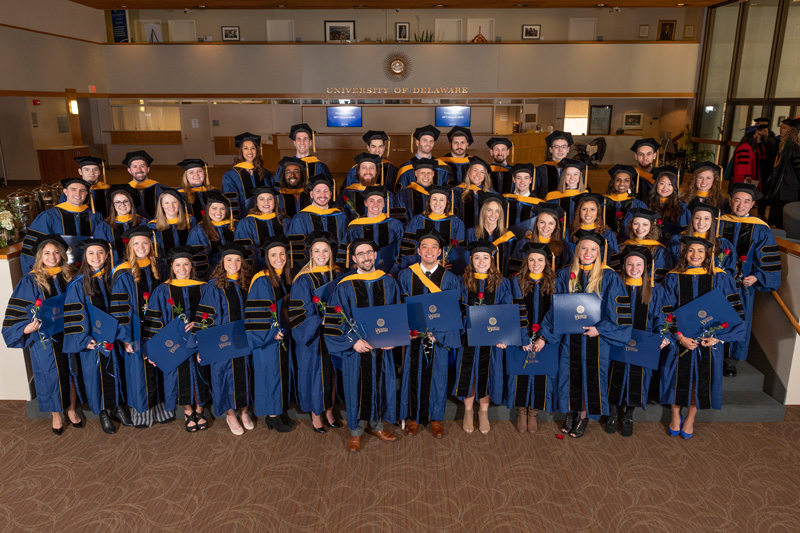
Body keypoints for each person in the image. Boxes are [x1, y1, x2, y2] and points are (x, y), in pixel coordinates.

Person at [546, 231, 631, 438]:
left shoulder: (609, 276)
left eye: (593, 249)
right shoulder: (566, 274)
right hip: (570, 337)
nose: (588, 252)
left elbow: (618, 312)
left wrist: (599, 329)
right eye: (584, 248)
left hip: (596, 339)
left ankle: (583, 415)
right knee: (569, 374)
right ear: (577, 250)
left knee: (591, 377)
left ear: (599, 252)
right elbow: (556, 307)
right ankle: (570, 413)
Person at [661, 236, 745, 439]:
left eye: (700, 251)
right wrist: (679, 337)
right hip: (680, 340)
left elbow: (732, 312)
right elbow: (665, 311)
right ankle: (674, 414)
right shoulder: (673, 277)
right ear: (684, 253)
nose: (695, 255)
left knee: (699, 381)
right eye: (691, 251)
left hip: (708, 342)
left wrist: (716, 338)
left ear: (708, 254)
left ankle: (690, 418)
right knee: (674, 379)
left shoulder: (720, 278)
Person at [323, 239, 401, 452]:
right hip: (357, 350)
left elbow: (396, 312)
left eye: (369, 252)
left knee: (380, 384)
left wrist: (392, 339)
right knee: (355, 386)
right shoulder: (344, 286)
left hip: (381, 350)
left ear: (375, 255)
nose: (366, 257)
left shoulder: (389, 282)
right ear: (354, 259)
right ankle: (356, 431)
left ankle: (376, 425)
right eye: (360, 254)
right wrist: (352, 341)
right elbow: (335, 319)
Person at [2, 235, 81, 435]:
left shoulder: (70, 276)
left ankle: (71, 410)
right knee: (51, 375)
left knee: (71, 371)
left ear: (62, 255)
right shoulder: (30, 281)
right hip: (45, 338)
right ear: (40, 256)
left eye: (56, 252)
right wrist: (25, 329)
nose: (52, 257)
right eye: (47, 253)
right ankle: (56, 414)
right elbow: (16, 312)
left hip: (68, 333)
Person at [396, 230, 462, 438]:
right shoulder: (406, 275)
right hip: (414, 337)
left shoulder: (450, 279)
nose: (429, 250)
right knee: (412, 375)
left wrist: (440, 333)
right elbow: (399, 306)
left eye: (434, 247)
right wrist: (406, 329)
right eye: (425, 247)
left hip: (438, 337)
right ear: (418, 251)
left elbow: (454, 310)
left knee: (438, 376)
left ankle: (436, 418)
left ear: (440, 252)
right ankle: (414, 418)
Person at [64, 239, 131, 434]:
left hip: (115, 337)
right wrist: (85, 340)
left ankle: (118, 407)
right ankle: (102, 412)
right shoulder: (78, 283)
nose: (96, 257)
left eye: (100, 253)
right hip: (93, 340)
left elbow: (123, 307)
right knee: (96, 375)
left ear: (107, 255)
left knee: (117, 370)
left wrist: (123, 335)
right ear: (85, 256)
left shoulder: (113, 278)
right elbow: (75, 315)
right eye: (91, 253)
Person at [143, 247, 210, 431]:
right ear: (172, 267)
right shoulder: (163, 290)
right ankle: (188, 411)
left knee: (201, 373)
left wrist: (199, 323)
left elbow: (211, 313)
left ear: (191, 266)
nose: (182, 268)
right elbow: (154, 320)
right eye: (178, 264)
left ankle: (200, 409)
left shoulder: (204, 287)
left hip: (199, 341)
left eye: (186, 264)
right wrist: (154, 350)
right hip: (174, 344)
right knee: (179, 376)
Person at [110, 226, 171, 428]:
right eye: (136, 243)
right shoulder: (124, 273)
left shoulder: (160, 268)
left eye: (145, 242)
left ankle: (160, 410)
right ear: (130, 247)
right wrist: (125, 337)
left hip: (158, 328)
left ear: (151, 245)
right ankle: (142, 414)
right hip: (135, 331)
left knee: (158, 366)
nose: (141, 247)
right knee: (139, 371)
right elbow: (120, 307)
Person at [718, 183, 782, 377]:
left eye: (746, 201)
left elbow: (768, 260)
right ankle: (711, 354)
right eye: (737, 200)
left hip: (742, 285)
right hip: (718, 283)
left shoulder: (761, 228)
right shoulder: (717, 222)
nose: (741, 205)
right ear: (730, 201)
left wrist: (757, 276)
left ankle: (730, 361)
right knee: (715, 315)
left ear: (752, 204)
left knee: (739, 319)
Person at [606, 246, 670, 437]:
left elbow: (663, 317)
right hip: (615, 341)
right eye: (630, 264)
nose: (634, 268)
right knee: (612, 375)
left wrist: (665, 335)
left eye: (639, 264)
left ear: (646, 267)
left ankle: (629, 414)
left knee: (639, 379)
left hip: (643, 343)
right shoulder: (614, 287)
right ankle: (611, 414)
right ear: (624, 266)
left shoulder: (655, 290)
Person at [453, 240, 512, 435]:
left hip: (491, 341)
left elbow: (507, 311)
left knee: (487, 374)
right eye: (477, 257)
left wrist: (504, 336)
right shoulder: (462, 281)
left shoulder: (502, 283)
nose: (481, 261)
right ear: (471, 259)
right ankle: (468, 412)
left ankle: (483, 413)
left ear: (491, 260)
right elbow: (456, 309)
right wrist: (469, 321)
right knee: (469, 374)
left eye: (485, 257)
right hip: (468, 337)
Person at [198, 244, 255, 436]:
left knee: (245, 375)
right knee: (223, 376)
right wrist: (204, 348)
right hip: (221, 343)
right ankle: (230, 414)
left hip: (244, 340)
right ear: (222, 263)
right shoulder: (213, 287)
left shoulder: (247, 284)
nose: (234, 264)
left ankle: (244, 411)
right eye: (229, 260)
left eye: (237, 260)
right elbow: (205, 317)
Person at [289, 231, 342, 433]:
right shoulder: (302, 280)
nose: (321, 254)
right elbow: (299, 312)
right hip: (313, 335)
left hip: (334, 333)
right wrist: (320, 319)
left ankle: (329, 410)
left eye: (325, 250)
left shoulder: (336, 274)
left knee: (331, 372)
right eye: (317, 251)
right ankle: (315, 414)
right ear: (310, 253)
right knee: (315, 373)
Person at [245, 236, 295, 432]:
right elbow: (257, 312)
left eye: (282, 254)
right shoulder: (262, 279)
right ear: (267, 257)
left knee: (279, 373)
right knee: (269, 373)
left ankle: (279, 410)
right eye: (274, 254)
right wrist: (271, 334)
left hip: (281, 336)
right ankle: (272, 416)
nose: (279, 258)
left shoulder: (284, 276)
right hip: (268, 339)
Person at [507, 242, 558, 433]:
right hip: (521, 337)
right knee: (521, 372)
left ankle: (533, 412)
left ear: (546, 263)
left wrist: (543, 337)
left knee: (540, 372)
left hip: (546, 339)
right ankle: (521, 411)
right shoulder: (516, 281)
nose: (535, 263)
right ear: (525, 262)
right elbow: (514, 309)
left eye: (540, 260)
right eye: (531, 260)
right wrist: (522, 337)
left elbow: (556, 312)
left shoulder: (554, 282)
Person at [20, 177, 105, 274]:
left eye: (82, 190)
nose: (78, 194)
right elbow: (32, 249)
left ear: (86, 194)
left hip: (90, 269)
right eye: (73, 189)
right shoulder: (48, 217)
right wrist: (34, 275)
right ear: (65, 192)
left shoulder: (95, 216)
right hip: (58, 271)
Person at [287, 174, 348, 269]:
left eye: (326, 191)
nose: (322, 195)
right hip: (310, 271)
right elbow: (298, 250)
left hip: (336, 270)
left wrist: (338, 268)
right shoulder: (301, 218)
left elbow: (344, 244)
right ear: (311, 194)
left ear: (331, 194)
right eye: (318, 191)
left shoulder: (340, 217)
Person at [341, 186, 404, 269]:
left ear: (384, 204)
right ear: (365, 203)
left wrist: (394, 272)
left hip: (389, 273)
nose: (375, 204)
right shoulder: (355, 226)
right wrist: (354, 265)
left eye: (379, 201)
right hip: (362, 274)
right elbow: (345, 252)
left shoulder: (395, 225)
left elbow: (402, 251)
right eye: (371, 201)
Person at [668, 201, 735, 273]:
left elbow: (728, 272)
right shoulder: (677, 240)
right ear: (692, 219)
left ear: (712, 221)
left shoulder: (723, 244)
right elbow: (669, 267)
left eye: (706, 218)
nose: (701, 222)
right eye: (697, 218)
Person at [233, 186, 287, 272]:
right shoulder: (246, 223)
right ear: (257, 203)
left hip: (282, 267)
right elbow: (245, 251)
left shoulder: (285, 221)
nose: (266, 202)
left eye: (270, 199)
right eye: (261, 199)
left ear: (275, 202)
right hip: (257, 269)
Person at [186, 191, 237, 280]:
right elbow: (199, 260)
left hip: (234, 271)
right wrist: (216, 275)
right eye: (214, 208)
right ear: (207, 209)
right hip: (211, 276)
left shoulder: (235, 225)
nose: (218, 212)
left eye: (222, 209)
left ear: (227, 210)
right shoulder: (198, 230)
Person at [508, 204, 572, 274]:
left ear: (555, 226)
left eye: (551, 223)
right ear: (536, 223)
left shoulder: (564, 247)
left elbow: (565, 274)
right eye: (542, 222)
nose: (546, 227)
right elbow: (515, 271)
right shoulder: (524, 244)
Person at [222, 132, 272, 220]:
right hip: (243, 220)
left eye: (253, 148)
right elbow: (231, 203)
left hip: (264, 218)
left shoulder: (265, 173)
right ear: (241, 151)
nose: (250, 152)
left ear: (257, 151)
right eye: (246, 148)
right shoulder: (230, 176)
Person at [614, 207, 673, 282]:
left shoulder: (659, 250)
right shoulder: (623, 246)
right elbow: (617, 270)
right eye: (636, 223)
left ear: (651, 227)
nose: (640, 228)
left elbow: (659, 277)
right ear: (631, 225)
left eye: (645, 224)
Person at [466, 193, 517, 277]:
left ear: (500, 214)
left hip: (501, 282)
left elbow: (510, 264)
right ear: (483, 212)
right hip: (476, 280)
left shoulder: (508, 237)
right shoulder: (472, 233)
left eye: (497, 211)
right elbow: (468, 259)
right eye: (489, 210)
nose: (493, 215)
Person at [97, 185, 146, 267]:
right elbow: (101, 250)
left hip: (141, 265)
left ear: (131, 202)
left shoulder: (142, 222)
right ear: (113, 205)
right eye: (118, 202)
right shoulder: (104, 226)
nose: (122, 205)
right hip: (116, 268)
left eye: (126, 201)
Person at [395, 125, 452, 191]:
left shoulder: (443, 167)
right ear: (417, 143)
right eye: (425, 140)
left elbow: (449, 193)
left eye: (431, 141)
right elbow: (400, 195)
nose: (428, 144)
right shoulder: (406, 168)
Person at [766, 118, 800, 228]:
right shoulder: (795, 147)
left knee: (780, 219)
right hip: (790, 189)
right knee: (786, 220)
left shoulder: (786, 145)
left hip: (782, 188)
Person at [645, 166, 691, 243]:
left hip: (672, 246)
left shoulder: (681, 207)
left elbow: (682, 233)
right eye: (662, 183)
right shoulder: (646, 204)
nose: (665, 188)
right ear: (656, 185)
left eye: (670, 184)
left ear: (674, 187)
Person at [147, 188, 196, 257]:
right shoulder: (153, 226)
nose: (171, 206)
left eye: (174, 202)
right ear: (161, 205)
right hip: (164, 265)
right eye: (166, 203)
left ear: (179, 203)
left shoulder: (190, 221)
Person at [602, 164, 647, 239]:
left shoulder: (638, 204)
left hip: (630, 241)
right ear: (613, 182)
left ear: (630, 184)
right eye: (618, 180)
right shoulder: (602, 202)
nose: (622, 183)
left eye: (626, 180)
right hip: (607, 241)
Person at [336, 152, 386, 219]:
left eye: (371, 168)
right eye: (364, 168)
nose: (368, 171)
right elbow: (340, 221)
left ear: (376, 171)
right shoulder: (347, 193)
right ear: (358, 171)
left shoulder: (387, 195)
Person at [455, 157, 495, 230]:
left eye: (482, 172)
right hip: (461, 233)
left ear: (485, 176)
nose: (478, 175)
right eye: (475, 170)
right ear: (469, 172)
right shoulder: (457, 191)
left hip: (483, 234)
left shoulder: (492, 194)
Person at [395, 158, 437, 223]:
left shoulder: (439, 193)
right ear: (416, 173)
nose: (426, 176)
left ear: (433, 174)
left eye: (429, 173)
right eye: (422, 172)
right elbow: (400, 219)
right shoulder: (404, 194)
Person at [123, 150, 162, 220]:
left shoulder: (159, 189)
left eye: (142, 166)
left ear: (148, 169)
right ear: (129, 170)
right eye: (135, 167)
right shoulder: (124, 190)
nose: (139, 170)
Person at [534, 131, 573, 198]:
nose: (560, 150)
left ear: (568, 149)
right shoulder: (541, 170)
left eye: (563, 147)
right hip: (546, 206)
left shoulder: (575, 169)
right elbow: (535, 192)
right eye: (556, 147)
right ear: (551, 149)